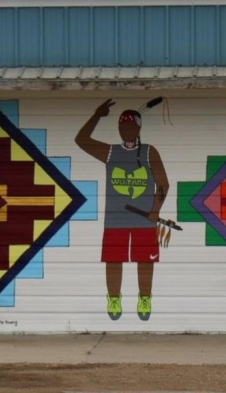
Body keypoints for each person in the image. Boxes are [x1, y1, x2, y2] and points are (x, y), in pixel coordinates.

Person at [75, 99, 169, 321]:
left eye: (129, 127)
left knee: (146, 261)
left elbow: (163, 183)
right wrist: (97, 115)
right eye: (121, 128)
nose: (124, 131)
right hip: (115, 220)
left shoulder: (148, 152)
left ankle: (145, 297)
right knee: (113, 260)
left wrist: (155, 209)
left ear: (138, 129)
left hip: (144, 221)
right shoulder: (110, 153)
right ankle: (114, 297)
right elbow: (81, 139)